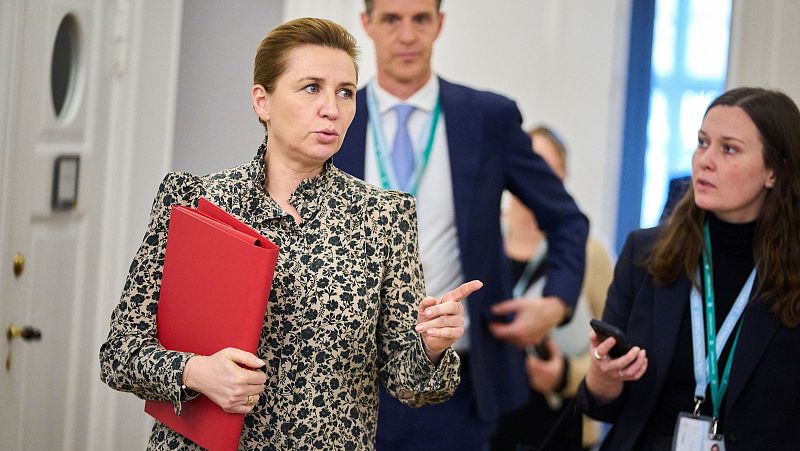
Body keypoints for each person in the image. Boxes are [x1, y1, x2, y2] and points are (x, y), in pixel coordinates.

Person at [99, 17, 483, 450]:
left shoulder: (384, 217)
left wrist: (431, 345)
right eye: (311, 88)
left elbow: (410, 385)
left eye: (345, 92)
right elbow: (120, 354)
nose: (332, 109)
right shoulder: (195, 201)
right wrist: (196, 373)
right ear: (262, 101)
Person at [334, 1, 590, 449]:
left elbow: (567, 219)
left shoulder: (487, 119)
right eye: (391, 19)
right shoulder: (336, 120)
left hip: (457, 383)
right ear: (366, 24)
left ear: (439, 24)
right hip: (352, 380)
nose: (407, 36)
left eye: (420, 19)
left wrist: (556, 303)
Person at [578, 87, 800, 450]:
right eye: (702, 143)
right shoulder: (645, 254)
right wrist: (603, 377)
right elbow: (601, 407)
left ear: (775, 171)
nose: (704, 161)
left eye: (729, 149)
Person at [491, 126, 614, 451]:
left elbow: (617, 344)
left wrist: (565, 375)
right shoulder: (484, 240)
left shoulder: (588, 253)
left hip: (561, 425)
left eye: (544, 168)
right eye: (525, 165)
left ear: (563, 178)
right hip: (487, 426)